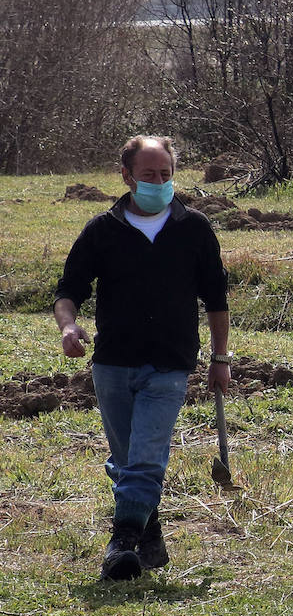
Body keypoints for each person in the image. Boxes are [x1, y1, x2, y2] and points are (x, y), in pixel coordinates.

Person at [54, 135, 231, 582]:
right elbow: (69, 291)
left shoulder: (194, 228)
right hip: (113, 361)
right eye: (149, 175)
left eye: (166, 175)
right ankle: (148, 535)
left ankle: (121, 543)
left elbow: (216, 300)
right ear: (126, 176)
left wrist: (221, 357)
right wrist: (69, 326)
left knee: (147, 456)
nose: (159, 182)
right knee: (125, 458)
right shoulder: (101, 230)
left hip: (170, 362)